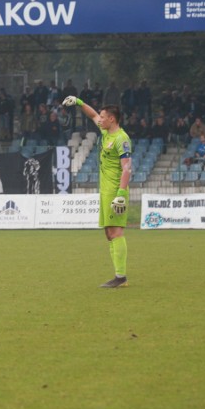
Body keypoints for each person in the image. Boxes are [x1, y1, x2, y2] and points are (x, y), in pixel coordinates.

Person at [63, 94, 132, 288]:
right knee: (109, 233)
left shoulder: (121, 139)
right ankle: (119, 275)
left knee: (116, 232)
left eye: (103, 117)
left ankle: (121, 277)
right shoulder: (106, 133)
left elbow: (127, 168)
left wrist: (121, 194)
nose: (99, 119)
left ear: (111, 119)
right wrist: (78, 102)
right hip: (106, 189)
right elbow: (92, 114)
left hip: (115, 190)